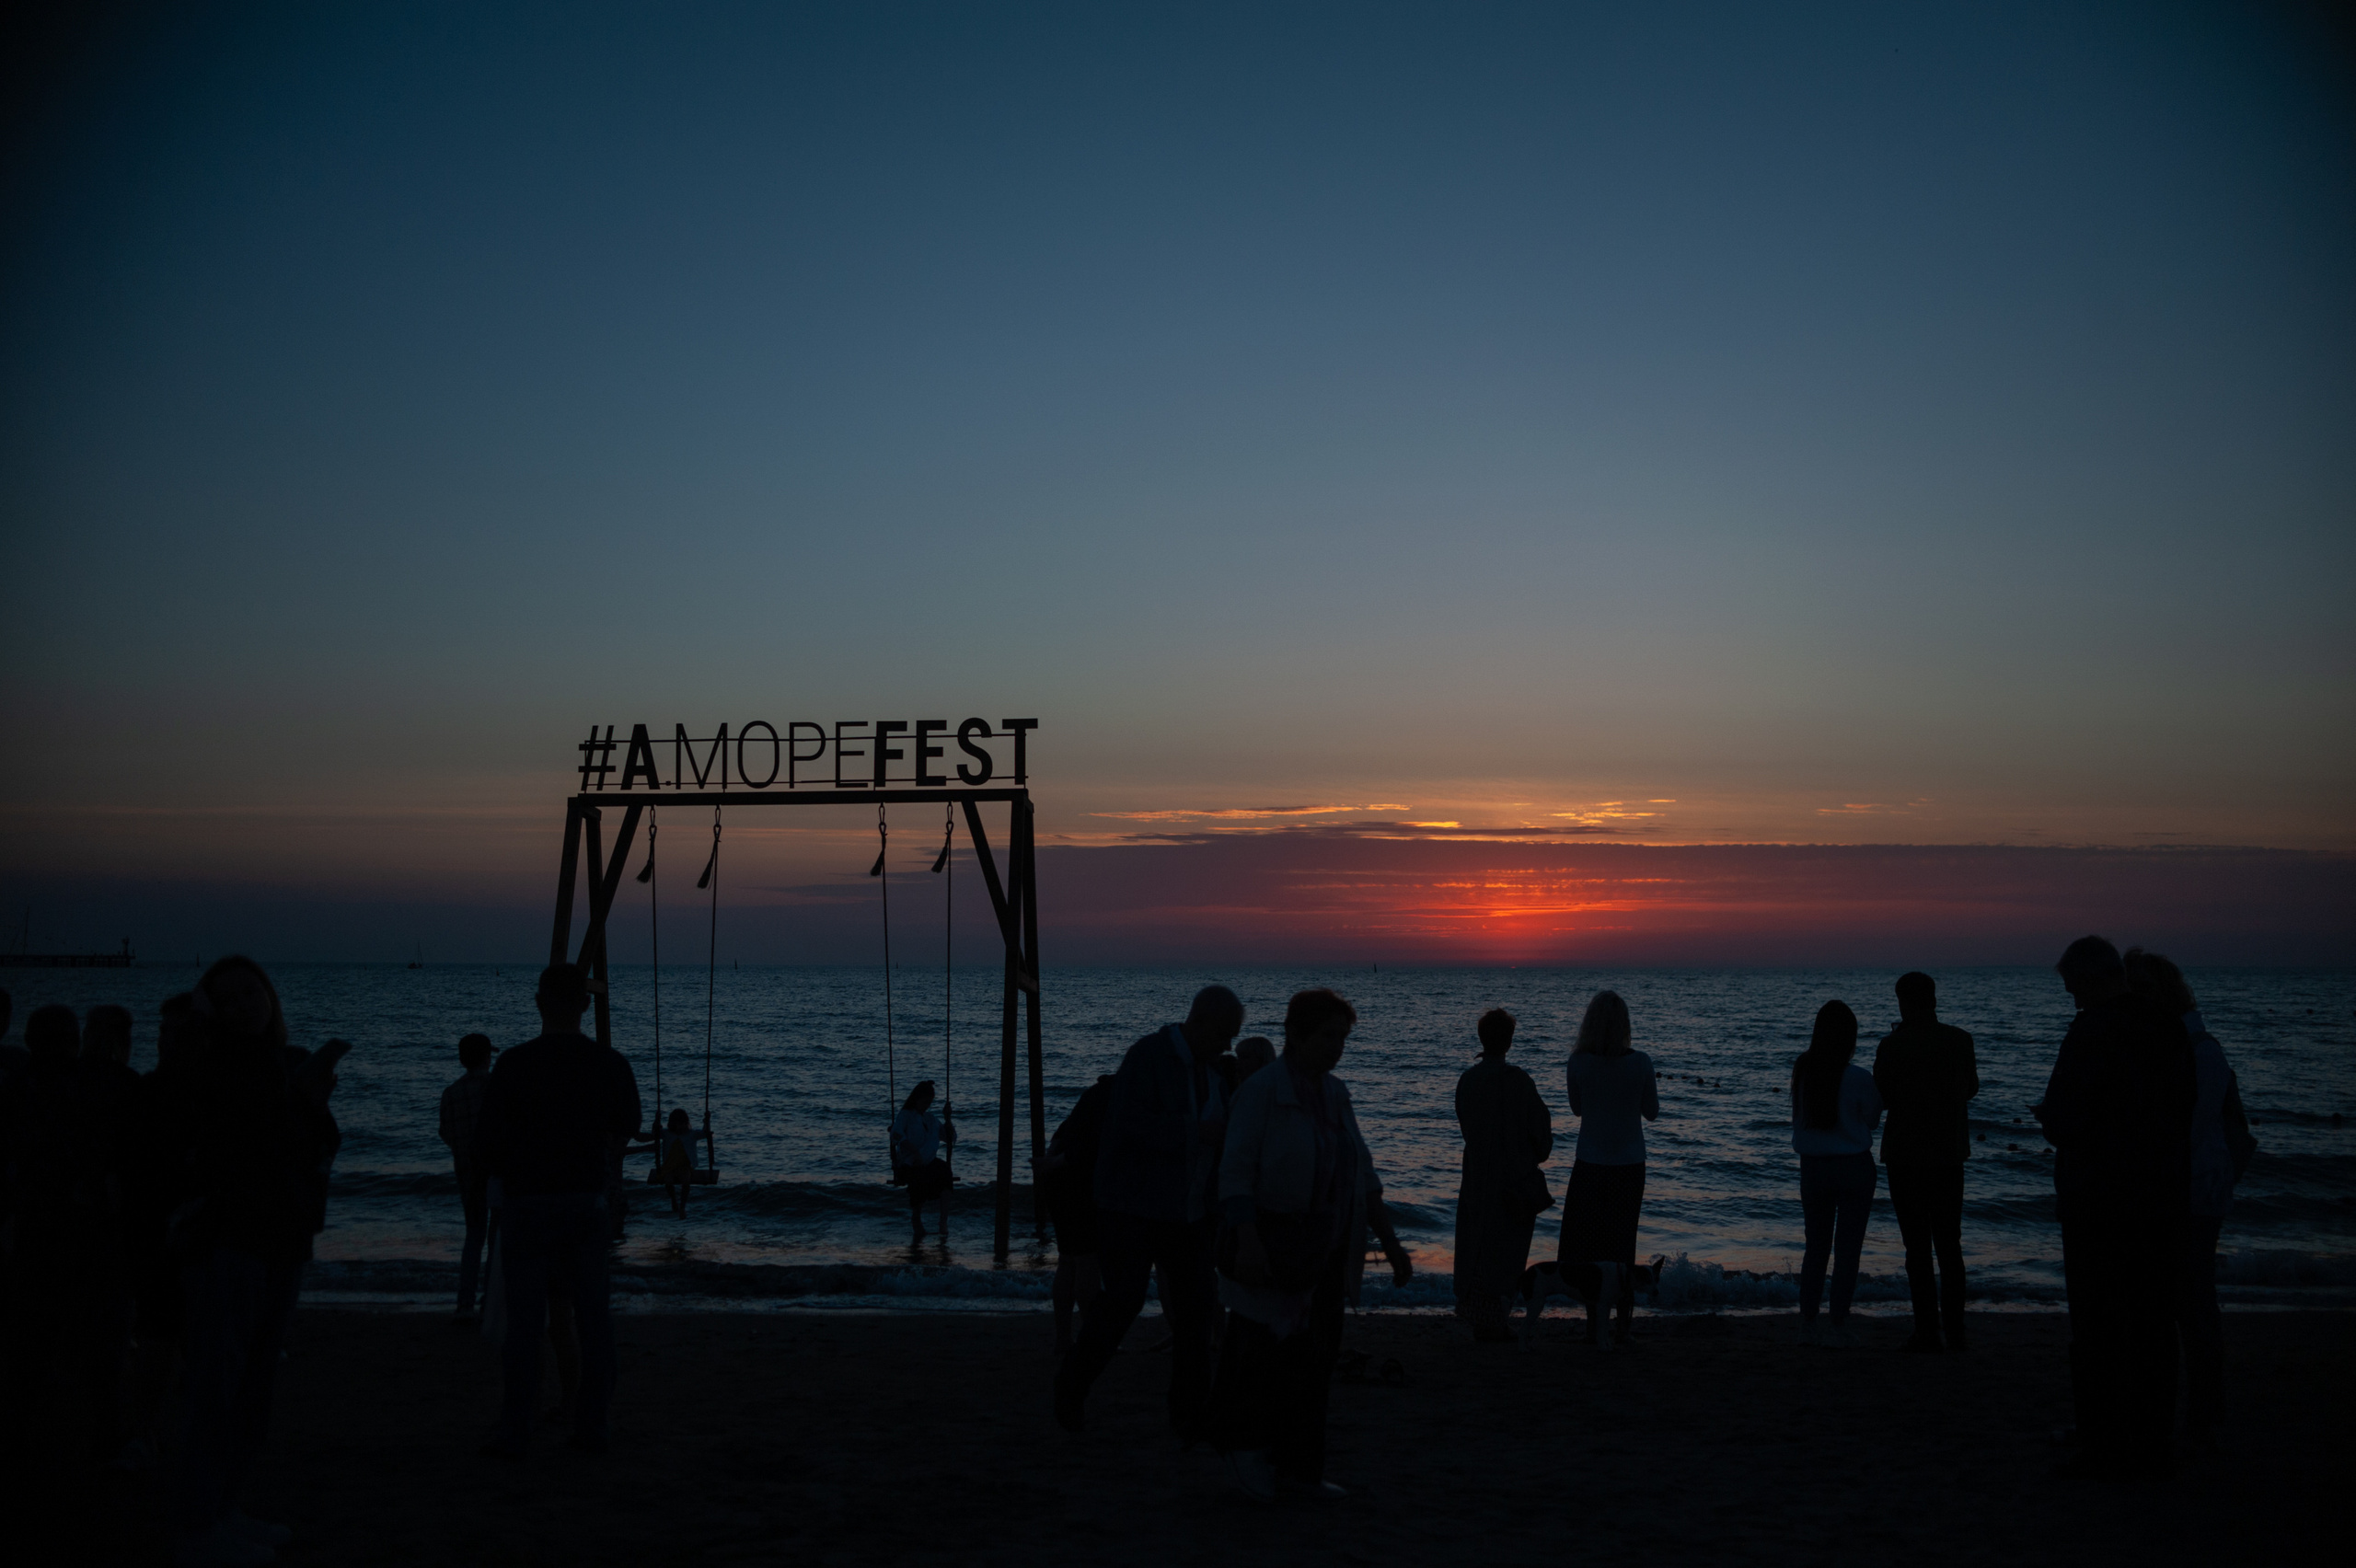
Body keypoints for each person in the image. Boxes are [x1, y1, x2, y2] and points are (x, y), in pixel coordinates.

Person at [156, 958, 344, 1567]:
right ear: (211, 1009)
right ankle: (197, 1526)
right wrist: (304, 1102)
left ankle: (223, 1512)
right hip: (230, 1244)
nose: (242, 1005)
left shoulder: (274, 1062)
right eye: (227, 998)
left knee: (252, 1394)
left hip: (280, 1241)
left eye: (249, 991)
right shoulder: (211, 1066)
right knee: (218, 1391)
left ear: (269, 992)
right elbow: (238, 1144)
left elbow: (299, 1148)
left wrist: (309, 1105)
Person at [1210, 987, 1382, 1502]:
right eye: (1328, 1036)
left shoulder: (1334, 1093)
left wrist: (1388, 1239)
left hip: (1324, 1249)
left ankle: (1299, 1469)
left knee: (1314, 1362)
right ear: (1296, 1034)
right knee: (1259, 1357)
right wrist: (1248, 1243)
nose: (1336, 1047)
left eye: (1342, 1038)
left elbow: (1362, 1168)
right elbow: (1235, 1173)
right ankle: (1244, 1454)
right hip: (1272, 1243)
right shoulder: (1262, 1092)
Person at [2034, 936, 2195, 1480]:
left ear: (2092, 978)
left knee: (2098, 1327)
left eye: (2073, 986)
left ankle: (2103, 1442)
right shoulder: (2168, 1029)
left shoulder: (2092, 1030)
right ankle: (2154, 1441)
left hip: (2097, 1201)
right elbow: (2185, 1108)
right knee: (2152, 1323)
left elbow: (2064, 1115)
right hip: (2161, 1198)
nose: (2072, 997)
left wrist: (2055, 1121)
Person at [1054, 984, 1242, 1439]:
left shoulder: (1212, 1070)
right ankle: (1071, 1387)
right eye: (1222, 1034)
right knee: (1123, 1302)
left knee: (1197, 1310)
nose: (1227, 1044)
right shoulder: (1148, 1056)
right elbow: (1127, 1126)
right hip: (1133, 1208)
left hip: (1188, 1212)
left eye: (1232, 1036)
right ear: (1197, 1022)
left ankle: (1188, 1415)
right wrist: (1194, 1132)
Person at [474, 963, 641, 1458]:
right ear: (585, 1006)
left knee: (526, 1327)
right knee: (593, 1321)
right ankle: (592, 1426)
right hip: (584, 1203)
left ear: (538, 1002)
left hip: (527, 1204)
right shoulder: (608, 1064)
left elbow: (488, 1142)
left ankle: (516, 1427)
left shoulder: (513, 1065)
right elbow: (626, 1126)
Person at [2124, 947, 2252, 1449]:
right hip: (2198, 1185)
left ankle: (2201, 1404)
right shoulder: (2194, 1045)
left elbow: (2184, 1128)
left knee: (2188, 1299)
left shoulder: (2191, 1049)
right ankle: (2203, 1403)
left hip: (2187, 1189)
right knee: (2190, 1298)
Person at [1872, 973, 1979, 1352]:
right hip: (1949, 1154)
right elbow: (1971, 1089)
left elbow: (1880, 1096)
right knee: (1950, 1246)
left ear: (1903, 1001)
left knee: (1916, 1248)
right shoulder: (1960, 1040)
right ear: (1933, 1000)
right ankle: (1956, 1329)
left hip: (1905, 1157)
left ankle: (1926, 1330)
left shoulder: (1893, 1045)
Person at [1557, 991, 1657, 1346]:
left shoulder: (1579, 1063)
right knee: (1622, 1245)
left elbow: (1576, 1109)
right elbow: (1652, 1112)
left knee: (1589, 1249)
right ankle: (1623, 1328)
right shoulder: (1642, 1062)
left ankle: (1592, 1325)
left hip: (1590, 1164)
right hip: (1630, 1165)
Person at [1451, 1008, 1553, 1343]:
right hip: (1513, 1180)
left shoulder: (1467, 1080)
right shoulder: (1519, 1082)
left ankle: (1477, 1318)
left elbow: (1466, 1126)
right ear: (1509, 1041)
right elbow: (1541, 1135)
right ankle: (1494, 1322)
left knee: (1475, 1248)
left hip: (1477, 1176)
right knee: (1506, 1252)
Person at [1791, 999, 1881, 1347]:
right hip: (1854, 1168)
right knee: (1848, 1250)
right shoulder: (1858, 1077)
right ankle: (1838, 1324)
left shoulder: (1803, 1072)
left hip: (1813, 1168)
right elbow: (1873, 1119)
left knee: (1816, 1248)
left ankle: (1807, 1323)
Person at [1042, 1072, 1114, 1359]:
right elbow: (1084, 1155)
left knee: (1068, 1261)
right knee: (1087, 1264)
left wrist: (1049, 1166)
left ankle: (1064, 1337)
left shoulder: (1079, 1114)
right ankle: (1090, 1338)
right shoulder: (1108, 1111)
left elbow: (1057, 1145)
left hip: (1059, 1187)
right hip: (1080, 1189)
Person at [438, 1032, 495, 1323]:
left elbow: (446, 1134)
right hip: (497, 1173)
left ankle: (465, 1302)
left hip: (467, 1175)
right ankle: (492, 1300)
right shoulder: (496, 1089)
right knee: (497, 1239)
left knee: (474, 1236)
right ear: (486, 1057)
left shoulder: (451, 1094)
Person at [889, 1080, 955, 1241]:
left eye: (929, 1103)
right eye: (925, 1101)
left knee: (946, 1173)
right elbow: (896, 1134)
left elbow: (950, 1138)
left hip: (928, 1160)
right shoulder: (906, 1115)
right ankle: (916, 1218)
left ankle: (943, 1221)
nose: (927, 1105)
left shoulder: (930, 1119)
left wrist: (947, 1119)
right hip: (909, 1162)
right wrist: (914, 1152)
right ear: (916, 1098)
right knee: (920, 1178)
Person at [651, 1107, 698, 1219]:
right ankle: (673, 1200)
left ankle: (682, 1207)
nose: (679, 1127)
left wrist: (706, 1122)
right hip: (669, 1167)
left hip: (684, 1166)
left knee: (686, 1180)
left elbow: (705, 1133)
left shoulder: (691, 1134)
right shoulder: (666, 1134)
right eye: (676, 1124)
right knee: (668, 1181)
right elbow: (655, 1133)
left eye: (681, 1124)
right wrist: (656, 1121)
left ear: (686, 1124)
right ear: (672, 1124)